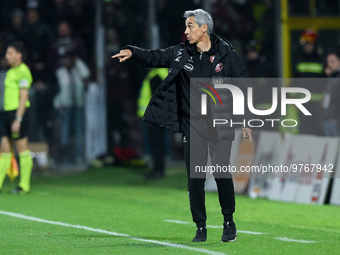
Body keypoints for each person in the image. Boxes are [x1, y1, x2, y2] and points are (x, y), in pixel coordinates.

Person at [112, 9, 253, 242]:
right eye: (186, 27)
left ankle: (229, 221)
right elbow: (154, 57)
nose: (186, 32)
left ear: (204, 28)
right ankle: (201, 226)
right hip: (193, 124)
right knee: (195, 178)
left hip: (221, 123)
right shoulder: (180, 53)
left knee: (221, 172)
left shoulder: (227, 56)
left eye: (190, 27)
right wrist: (132, 52)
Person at [0, 41, 33, 194]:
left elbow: (23, 97)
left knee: (21, 147)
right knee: (4, 149)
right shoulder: (10, 71)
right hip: (5, 113)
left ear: (19, 55)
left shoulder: (23, 71)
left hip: (16, 113)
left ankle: (24, 186)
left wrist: (18, 119)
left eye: (10, 53)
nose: (7, 56)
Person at [54, 50, 90, 164]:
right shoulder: (60, 72)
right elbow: (57, 90)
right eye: (66, 59)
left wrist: (78, 62)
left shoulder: (78, 70)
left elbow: (87, 74)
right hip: (66, 106)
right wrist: (57, 103)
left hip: (78, 105)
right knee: (65, 132)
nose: (68, 61)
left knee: (79, 131)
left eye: (70, 58)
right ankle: (65, 156)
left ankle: (78, 156)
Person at [137, 68, 168, 180]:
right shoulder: (162, 73)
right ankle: (159, 168)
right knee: (159, 143)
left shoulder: (156, 76)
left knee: (156, 144)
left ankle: (158, 170)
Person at [323, 52, 340, 136]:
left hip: (336, 118)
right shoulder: (330, 78)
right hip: (328, 117)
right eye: (328, 61)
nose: (330, 64)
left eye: (333, 61)